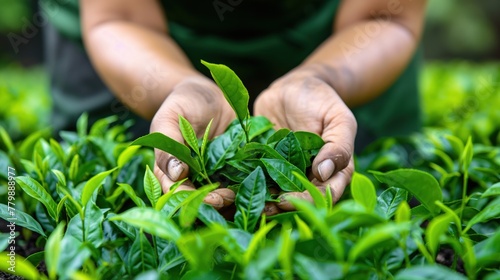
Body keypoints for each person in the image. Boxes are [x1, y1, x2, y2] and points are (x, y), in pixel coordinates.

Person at [42, 0, 427, 210]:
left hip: (339, 33)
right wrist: (181, 86)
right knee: (107, 182)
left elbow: (382, 15)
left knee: (361, 183)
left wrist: (322, 79)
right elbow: (120, 14)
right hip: (132, 36)